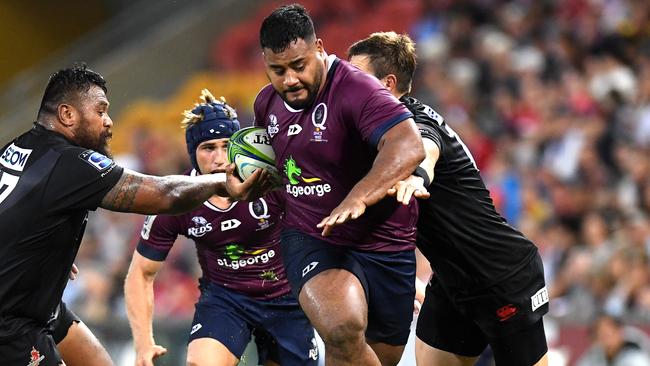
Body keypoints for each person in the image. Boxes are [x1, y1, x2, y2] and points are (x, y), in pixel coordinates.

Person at [0, 64, 271, 366]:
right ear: (67, 115)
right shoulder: (71, 163)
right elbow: (165, 195)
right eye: (100, 111)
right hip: (12, 325)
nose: (109, 121)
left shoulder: (17, 147)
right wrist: (223, 183)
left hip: (40, 304)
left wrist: (43, 249)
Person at [348, 31, 550, 366]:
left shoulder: (415, 123)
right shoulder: (374, 137)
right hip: (452, 281)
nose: (347, 86)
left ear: (387, 84)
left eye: (356, 77)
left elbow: (426, 150)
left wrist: (419, 175)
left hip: (499, 274)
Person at [254, 5, 426, 366]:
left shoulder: (356, 89)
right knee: (343, 328)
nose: (289, 80)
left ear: (319, 47)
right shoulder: (266, 104)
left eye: (299, 66)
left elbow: (408, 146)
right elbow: (271, 171)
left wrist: (359, 196)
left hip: (386, 243)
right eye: (278, 70)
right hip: (314, 237)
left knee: (371, 357)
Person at [124, 89, 319, 366]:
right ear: (194, 154)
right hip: (226, 300)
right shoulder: (176, 198)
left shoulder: (268, 179)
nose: (218, 158)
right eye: (208, 148)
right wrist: (143, 345)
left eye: (226, 145)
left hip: (286, 297)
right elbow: (140, 274)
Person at [576, 314, 650, 366]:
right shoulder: (594, 356)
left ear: (619, 331)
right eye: (601, 334)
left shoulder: (635, 357)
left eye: (609, 334)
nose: (606, 339)